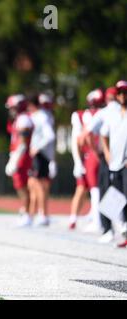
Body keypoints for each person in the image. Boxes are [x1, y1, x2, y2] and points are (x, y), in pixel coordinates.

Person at [79, 84, 123, 243]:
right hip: (122, 157)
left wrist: (97, 152)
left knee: (106, 191)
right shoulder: (121, 112)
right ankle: (121, 223)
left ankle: (108, 228)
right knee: (120, 190)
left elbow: (85, 135)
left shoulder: (103, 113)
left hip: (108, 157)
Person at [68, 89, 104, 230]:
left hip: (93, 155)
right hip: (89, 156)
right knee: (84, 187)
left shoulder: (100, 114)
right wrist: (78, 161)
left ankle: (97, 218)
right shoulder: (82, 115)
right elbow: (77, 140)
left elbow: (82, 138)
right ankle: (79, 217)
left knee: (96, 188)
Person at [99, 80, 127, 248]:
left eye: (125, 93)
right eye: (120, 93)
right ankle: (110, 229)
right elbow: (103, 134)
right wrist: (107, 152)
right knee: (114, 197)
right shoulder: (112, 114)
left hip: (125, 164)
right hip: (114, 163)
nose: (123, 96)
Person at [27, 93, 56, 226]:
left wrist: (37, 147)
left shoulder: (42, 116)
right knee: (33, 184)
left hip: (41, 155)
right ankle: (32, 214)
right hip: (37, 154)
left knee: (38, 184)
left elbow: (50, 135)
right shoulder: (36, 116)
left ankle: (43, 214)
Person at [4, 94, 33, 226]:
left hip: (21, 156)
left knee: (22, 186)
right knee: (20, 186)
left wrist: (14, 160)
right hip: (18, 155)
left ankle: (27, 213)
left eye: (13, 107)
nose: (11, 110)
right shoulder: (20, 119)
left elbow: (22, 143)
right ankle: (24, 210)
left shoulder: (24, 120)